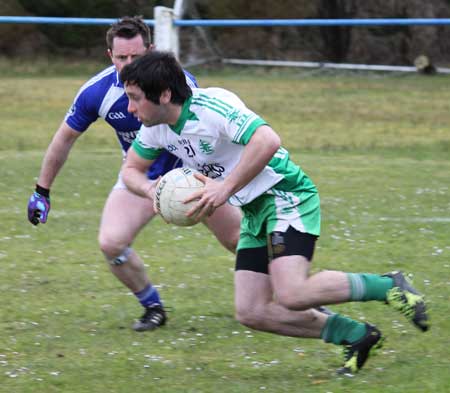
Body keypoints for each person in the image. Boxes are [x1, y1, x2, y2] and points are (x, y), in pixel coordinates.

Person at [120, 51, 429, 374]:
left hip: (285, 194)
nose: (130, 108)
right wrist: (151, 190)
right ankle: (357, 335)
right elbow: (131, 170)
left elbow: (267, 139)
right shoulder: (156, 127)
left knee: (292, 292)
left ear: (165, 94)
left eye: (135, 99)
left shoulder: (209, 109)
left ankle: (388, 286)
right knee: (252, 311)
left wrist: (224, 188)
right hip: (254, 209)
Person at [27, 17, 242, 332]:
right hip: (140, 177)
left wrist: (222, 182)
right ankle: (152, 307)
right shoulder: (96, 92)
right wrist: (41, 190)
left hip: (192, 176)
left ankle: (292, 292)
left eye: (136, 58)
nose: (128, 65)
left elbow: (209, 134)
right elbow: (64, 139)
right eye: (121, 58)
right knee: (111, 243)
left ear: (151, 51)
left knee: (239, 241)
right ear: (109, 56)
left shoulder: (178, 84)